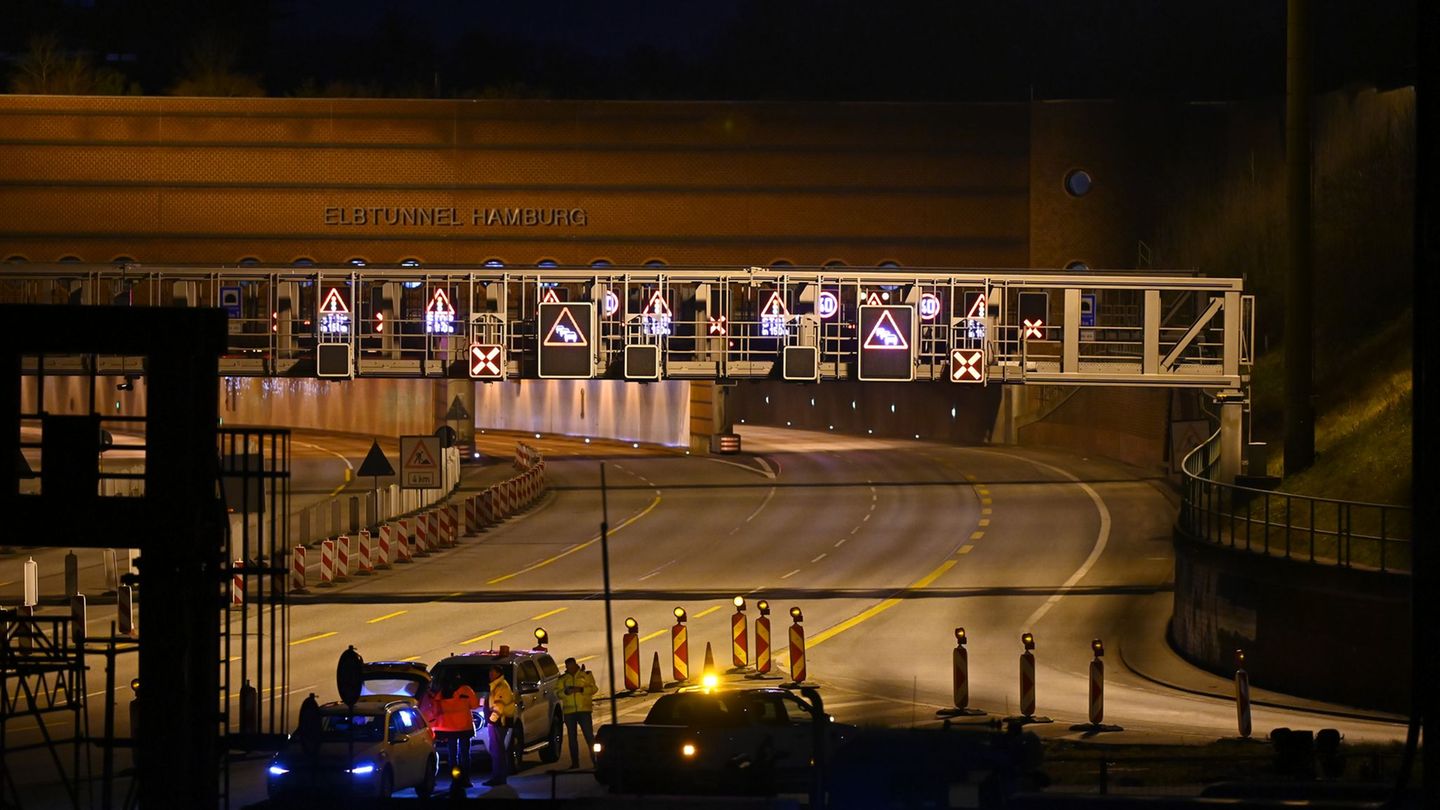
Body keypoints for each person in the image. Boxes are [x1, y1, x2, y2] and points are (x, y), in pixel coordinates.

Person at [425, 674, 480, 788]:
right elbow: (474, 705)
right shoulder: (466, 690)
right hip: (464, 727)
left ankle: (455, 780)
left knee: (452, 755)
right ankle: (465, 779)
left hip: (448, 728)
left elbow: (436, 709)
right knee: (464, 755)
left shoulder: (442, 693)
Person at [556, 657, 598, 769]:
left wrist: (581, 690)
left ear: (575, 665)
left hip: (584, 710)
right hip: (569, 712)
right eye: (568, 666)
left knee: (589, 736)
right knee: (572, 738)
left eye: (572, 666)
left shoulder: (585, 675)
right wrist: (566, 692)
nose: (570, 668)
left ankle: (596, 760)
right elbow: (558, 693)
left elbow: (594, 689)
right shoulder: (563, 679)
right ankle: (575, 762)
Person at [483, 666, 516, 786]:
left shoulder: (501, 687)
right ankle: (498, 776)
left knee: (497, 751)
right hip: (498, 722)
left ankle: (499, 777)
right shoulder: (496, 685)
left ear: (499, 673)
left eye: (493, 672)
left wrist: (491, 721)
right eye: (490, 672)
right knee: (497, 750)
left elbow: (499, 707)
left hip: (499, 722)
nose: (490, 674)